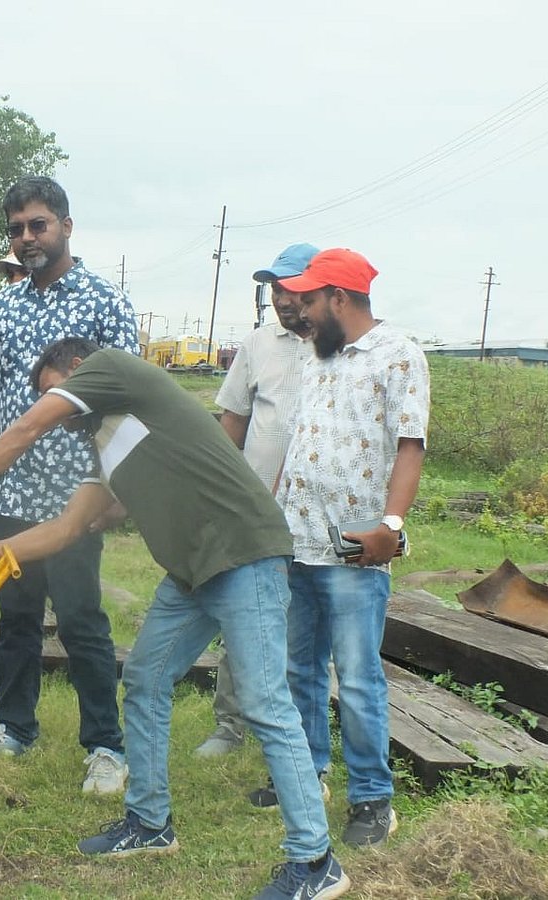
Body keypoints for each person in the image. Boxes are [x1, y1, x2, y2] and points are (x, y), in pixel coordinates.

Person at [0, 338, 349, 900]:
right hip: (191, 573)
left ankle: (316, 862)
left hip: (242, 554)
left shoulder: (114, 368)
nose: (56, 408)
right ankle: (149, 824)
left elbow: (25, 429)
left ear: (77, 371)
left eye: (53, 389)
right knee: (144, 679)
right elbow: (67, 529)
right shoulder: (108, 442)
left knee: (264, 701)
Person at [0, 177, 138, 797]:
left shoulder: (105, 303)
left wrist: (116, 488)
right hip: (10, 496)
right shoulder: (5, 306)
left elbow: (128, 402)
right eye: (17, 228)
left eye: (38, 224)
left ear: (65, 225)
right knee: (14, 617)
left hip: (74, 494)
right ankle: (13, 728)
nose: (28, 237)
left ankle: (106, 747)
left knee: (82, 618)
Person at [272, 248, 429, 847]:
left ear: (339, 297)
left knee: (358, 677)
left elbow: (410, 445)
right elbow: (301, 440)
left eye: (309, 300)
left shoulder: (399, 356)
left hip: (352, 547)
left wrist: (391, 523)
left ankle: (372, 798)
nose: (301, 311)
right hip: (297, 538)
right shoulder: (318, 356)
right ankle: (307, 773)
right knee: (299, 667)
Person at [197, 243, 317, 759]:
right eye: (275, 289)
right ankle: (230, 724)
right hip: (257, 509)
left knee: (307, 620)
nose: (282, 299)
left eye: (291, 287)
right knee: (244, 609)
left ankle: (295, 730)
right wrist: (224, 496)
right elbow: (233, 423)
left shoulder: (337, 345)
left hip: (318, 514)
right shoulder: (257, 345)